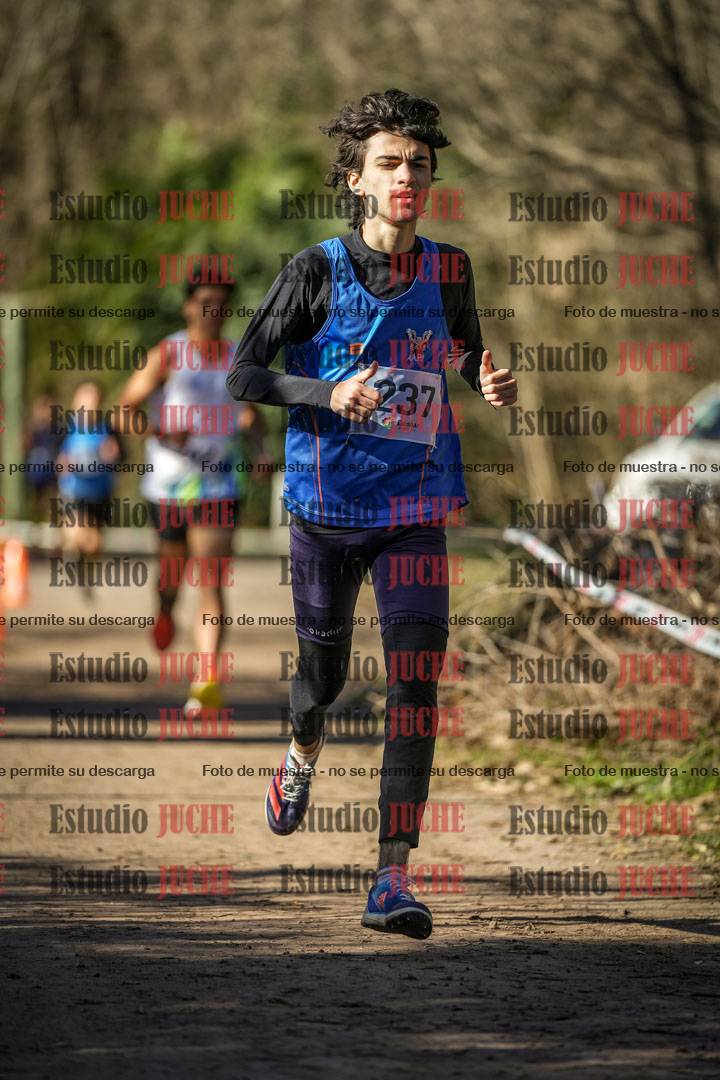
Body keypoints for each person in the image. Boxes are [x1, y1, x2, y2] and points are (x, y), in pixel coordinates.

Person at [226, 88, 518, 939]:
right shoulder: (313, 271)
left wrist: (486, 378)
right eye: (389, 163)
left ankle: (392, 877)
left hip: (415, 506)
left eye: (418, 165)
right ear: (356, 179)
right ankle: (302, 746)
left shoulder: (452, 268)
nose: (407, 177)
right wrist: (327, 392)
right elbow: (244, 374)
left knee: (414, 687)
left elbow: (464, 350)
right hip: (324, 511)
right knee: (321, 683)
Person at [119, 281, 269, 717]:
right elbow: (125, 410)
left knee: (211, 580)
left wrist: (259, 450)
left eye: (220, 305)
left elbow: (251, 412)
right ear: (187, 307)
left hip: (218, 483)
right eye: (204, 304)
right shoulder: (168, 353)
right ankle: (165, 609)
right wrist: (162, 431)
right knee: (171, 578)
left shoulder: (237, 356)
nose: (212, 312)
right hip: (168, 486)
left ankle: (206, 679)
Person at [55, 380, 122, 591]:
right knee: (75, 534)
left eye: (93, 399)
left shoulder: (107, 429)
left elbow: (122, 457)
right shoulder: (65, 429)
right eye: (84, 398)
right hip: (73, 493)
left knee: (94, 545)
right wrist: (60, 464)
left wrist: (114, 455)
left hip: (100, 495)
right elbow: (52, 457)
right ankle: (72, 555)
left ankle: (84, 570)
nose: (88, 403)